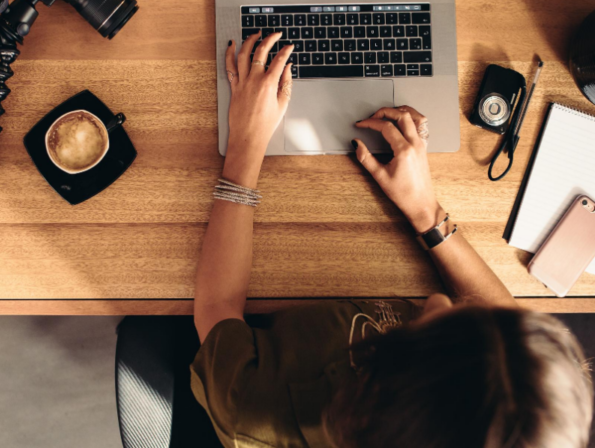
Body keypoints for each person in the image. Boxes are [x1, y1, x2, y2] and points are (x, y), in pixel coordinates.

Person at [192, 31, 593, 448]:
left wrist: (245, 145)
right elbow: (501, 319)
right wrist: (428, 215)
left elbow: (217, 306)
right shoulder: (535, 420)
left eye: (425, 327)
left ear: (378, 392)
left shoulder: (253, 411)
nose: (436, 301)